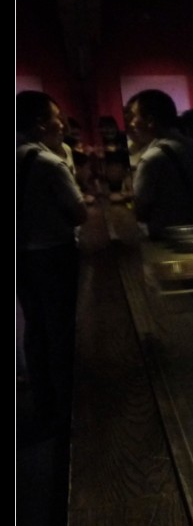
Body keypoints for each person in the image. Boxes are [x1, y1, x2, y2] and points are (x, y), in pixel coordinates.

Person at [16, 90, 89, 437]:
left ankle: (42, 402)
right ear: (40, 123)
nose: (62, 124)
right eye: (57, 117)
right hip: (54, 253)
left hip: (22, 254)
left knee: (35, 326)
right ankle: (67, 406)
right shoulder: (49, 163)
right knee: (60, 329)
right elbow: (79, 213)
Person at [125, 89, 193, 239]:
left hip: (167, 237)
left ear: (150, 121)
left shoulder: (152, 158)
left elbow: (140, 208)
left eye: (135, 116)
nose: (132, 123)